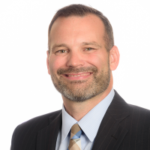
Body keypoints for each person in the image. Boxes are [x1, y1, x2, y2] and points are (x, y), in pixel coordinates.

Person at [11, 4, 150, 150]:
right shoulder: (25, 135)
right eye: (62, 50)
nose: (74, 62)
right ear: (48, 62)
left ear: (113, 58)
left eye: (88, 48)